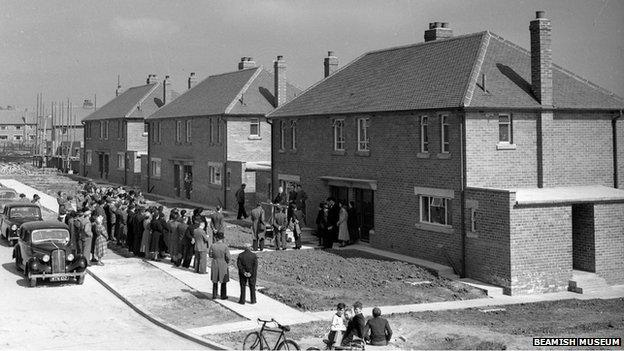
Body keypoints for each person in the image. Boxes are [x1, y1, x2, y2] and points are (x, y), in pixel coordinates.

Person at [209, 232, 230, 300]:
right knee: (223, 280)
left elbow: (210, 255)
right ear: (222, 238)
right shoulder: (225, 246)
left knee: (215, 280)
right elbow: (228, 257)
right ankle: (223, 295)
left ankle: (214, 295)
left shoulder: (213, 246)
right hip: (223, 263)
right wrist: (227, 262)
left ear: (216, 238)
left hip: (215, 263)